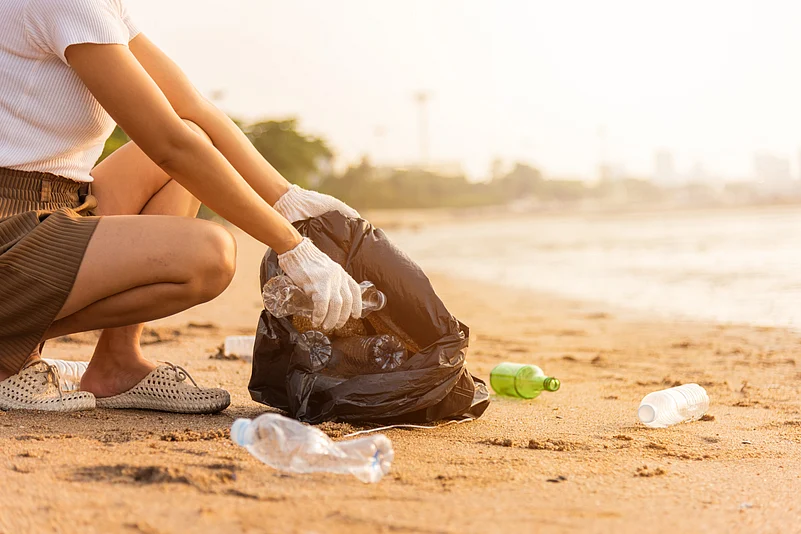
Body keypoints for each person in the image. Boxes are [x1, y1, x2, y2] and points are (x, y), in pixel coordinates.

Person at [0, 0, 363, 413]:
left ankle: (116, 365)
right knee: (210, 256)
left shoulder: (103, 6)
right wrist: (291, 245)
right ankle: (8, 353)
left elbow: (191, 109)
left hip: (56, 201)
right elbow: (169, 145)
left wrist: (286, 197)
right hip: (11, 220)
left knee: (193, 146)